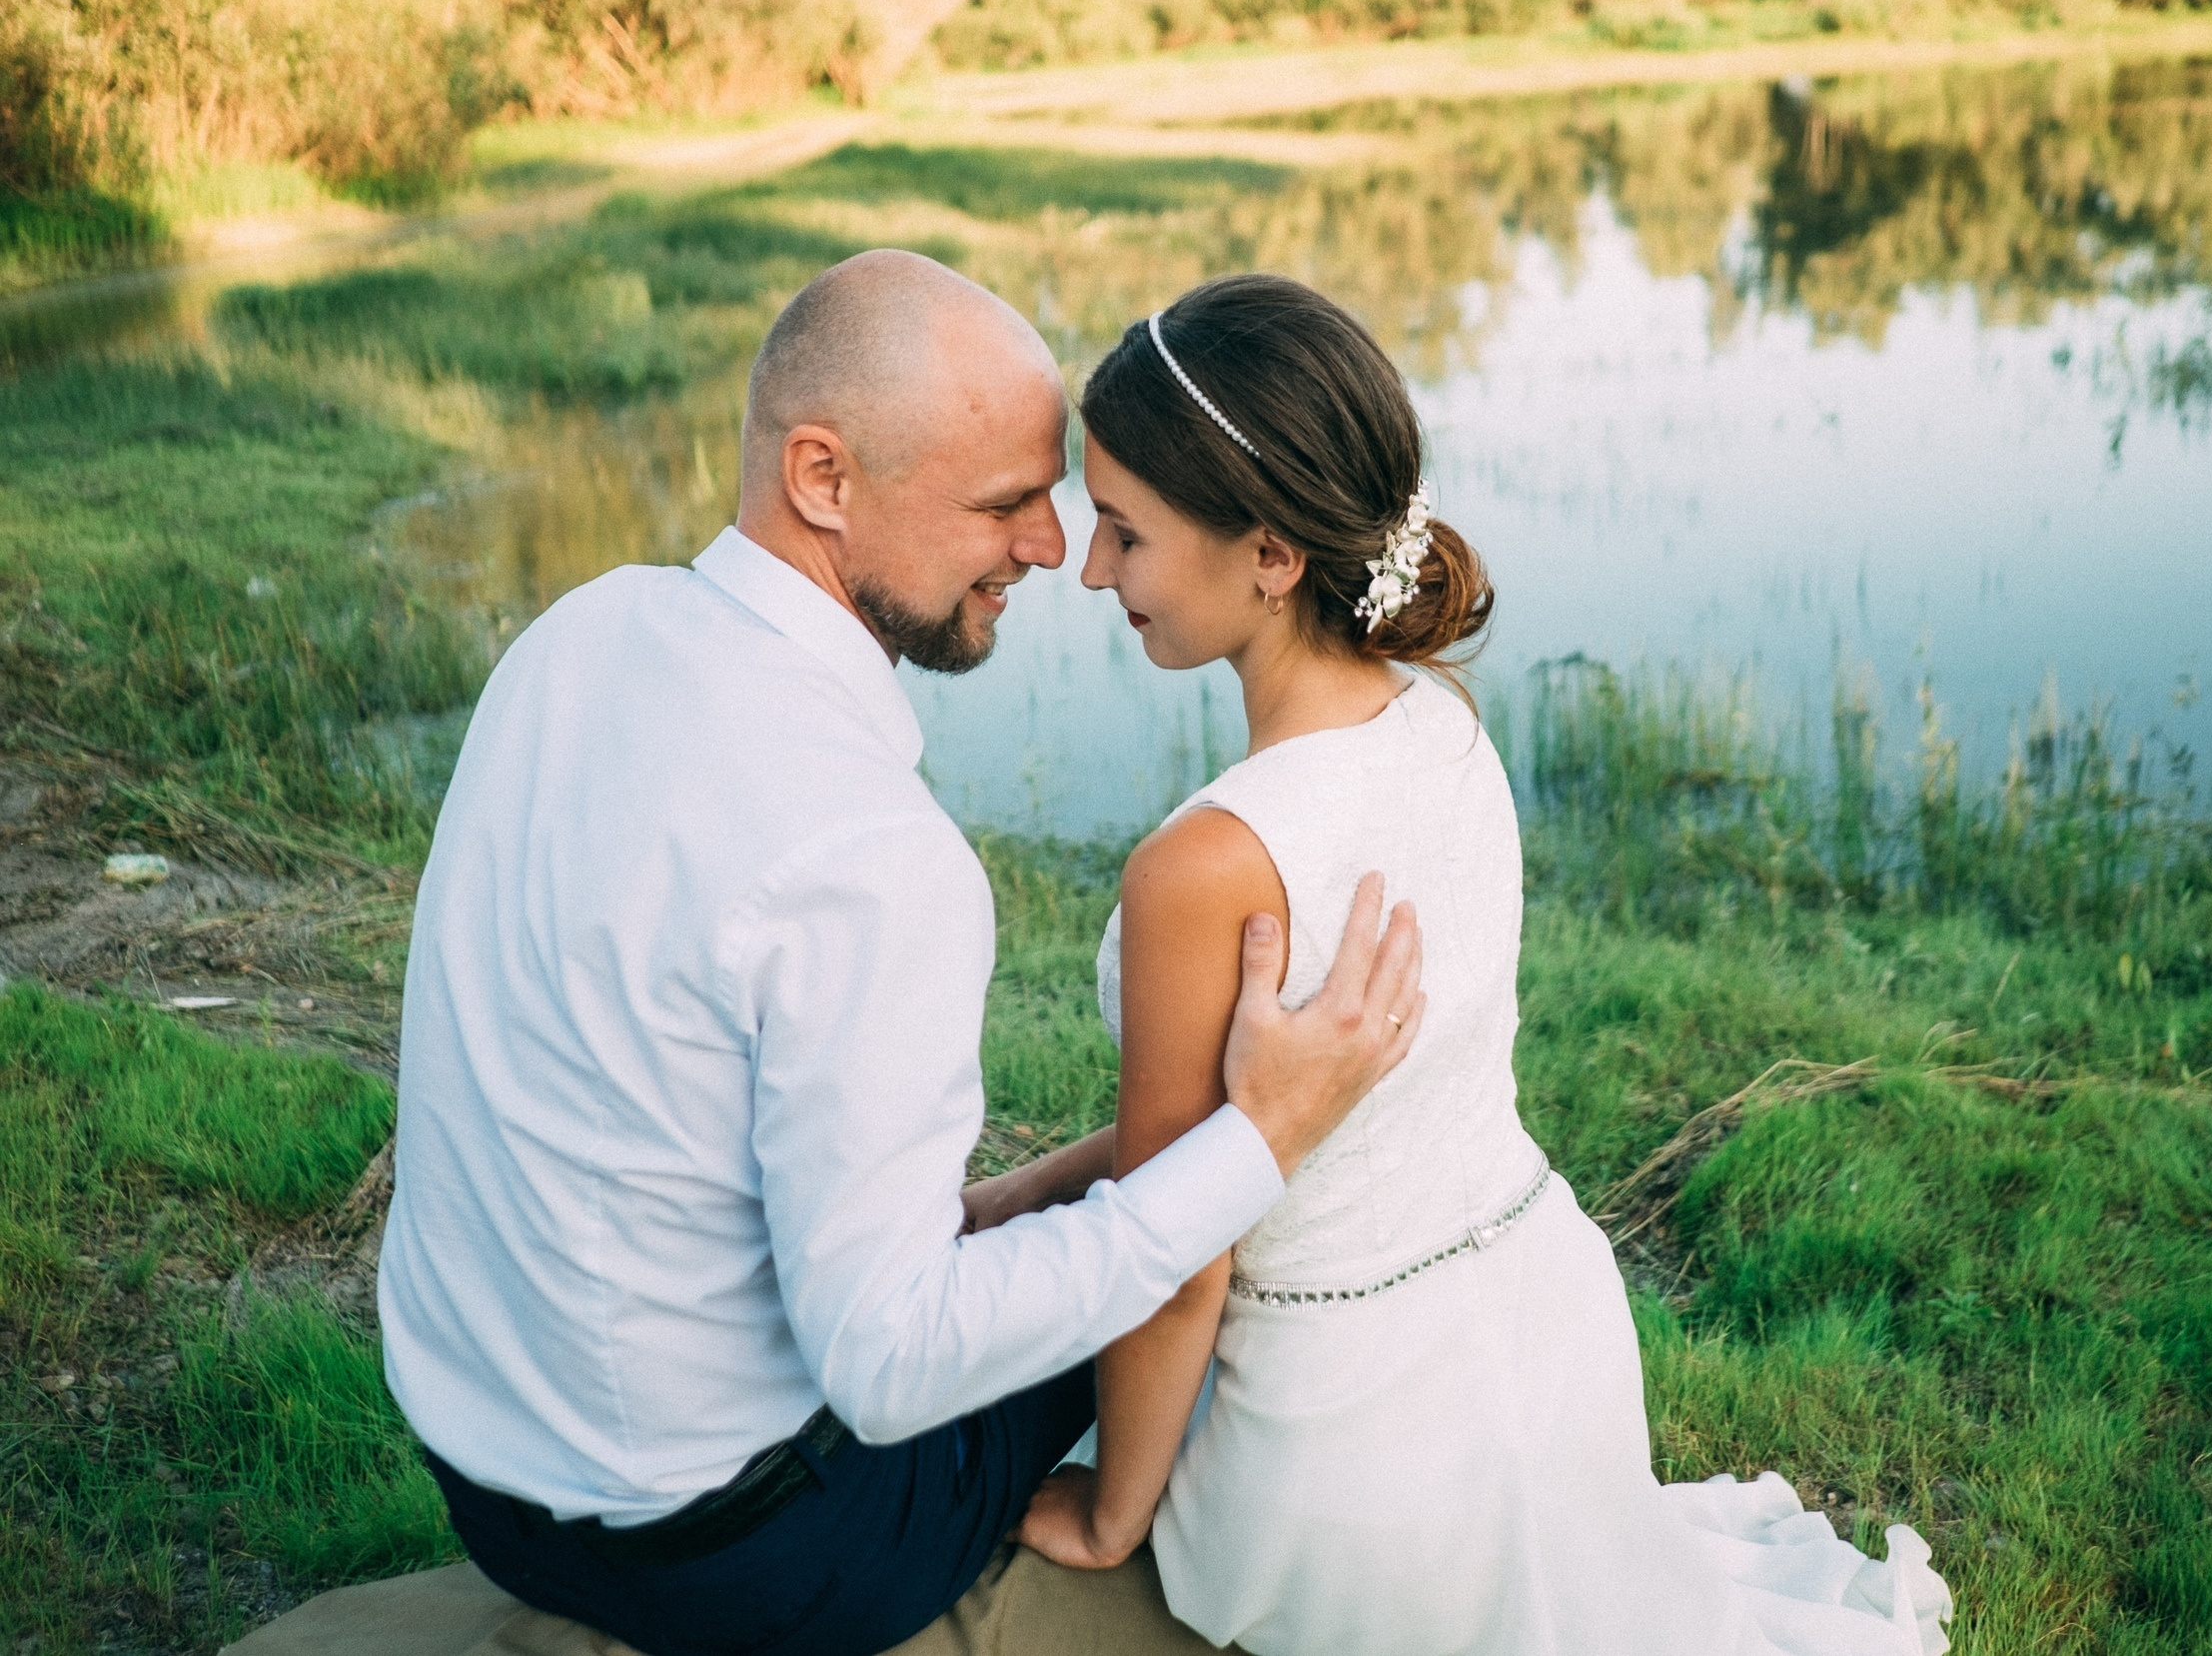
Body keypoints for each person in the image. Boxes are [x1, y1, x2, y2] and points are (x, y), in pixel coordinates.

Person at [372, 251, 1426, 1656]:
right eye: (1002, 503)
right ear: (823, 477)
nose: (1050, 548)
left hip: (482, 1476)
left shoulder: (582, 633)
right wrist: (1258, 1142)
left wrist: (1090, 1177)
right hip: (738, 1551)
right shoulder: (871, 856)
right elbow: (890, 1366)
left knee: (1140, 1208)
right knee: (1217, 1275)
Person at [1009, 273, 1957, 1656]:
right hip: (1548, 1342)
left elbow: (1180, 1252)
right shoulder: (1441, 727)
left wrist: (1112, 1515)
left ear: (1270, 554)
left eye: (1125, 531)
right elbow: (1271, 1130)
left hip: (1342, 1447)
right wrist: (1012, 1200)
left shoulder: (1202, 867)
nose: (1093, 571)